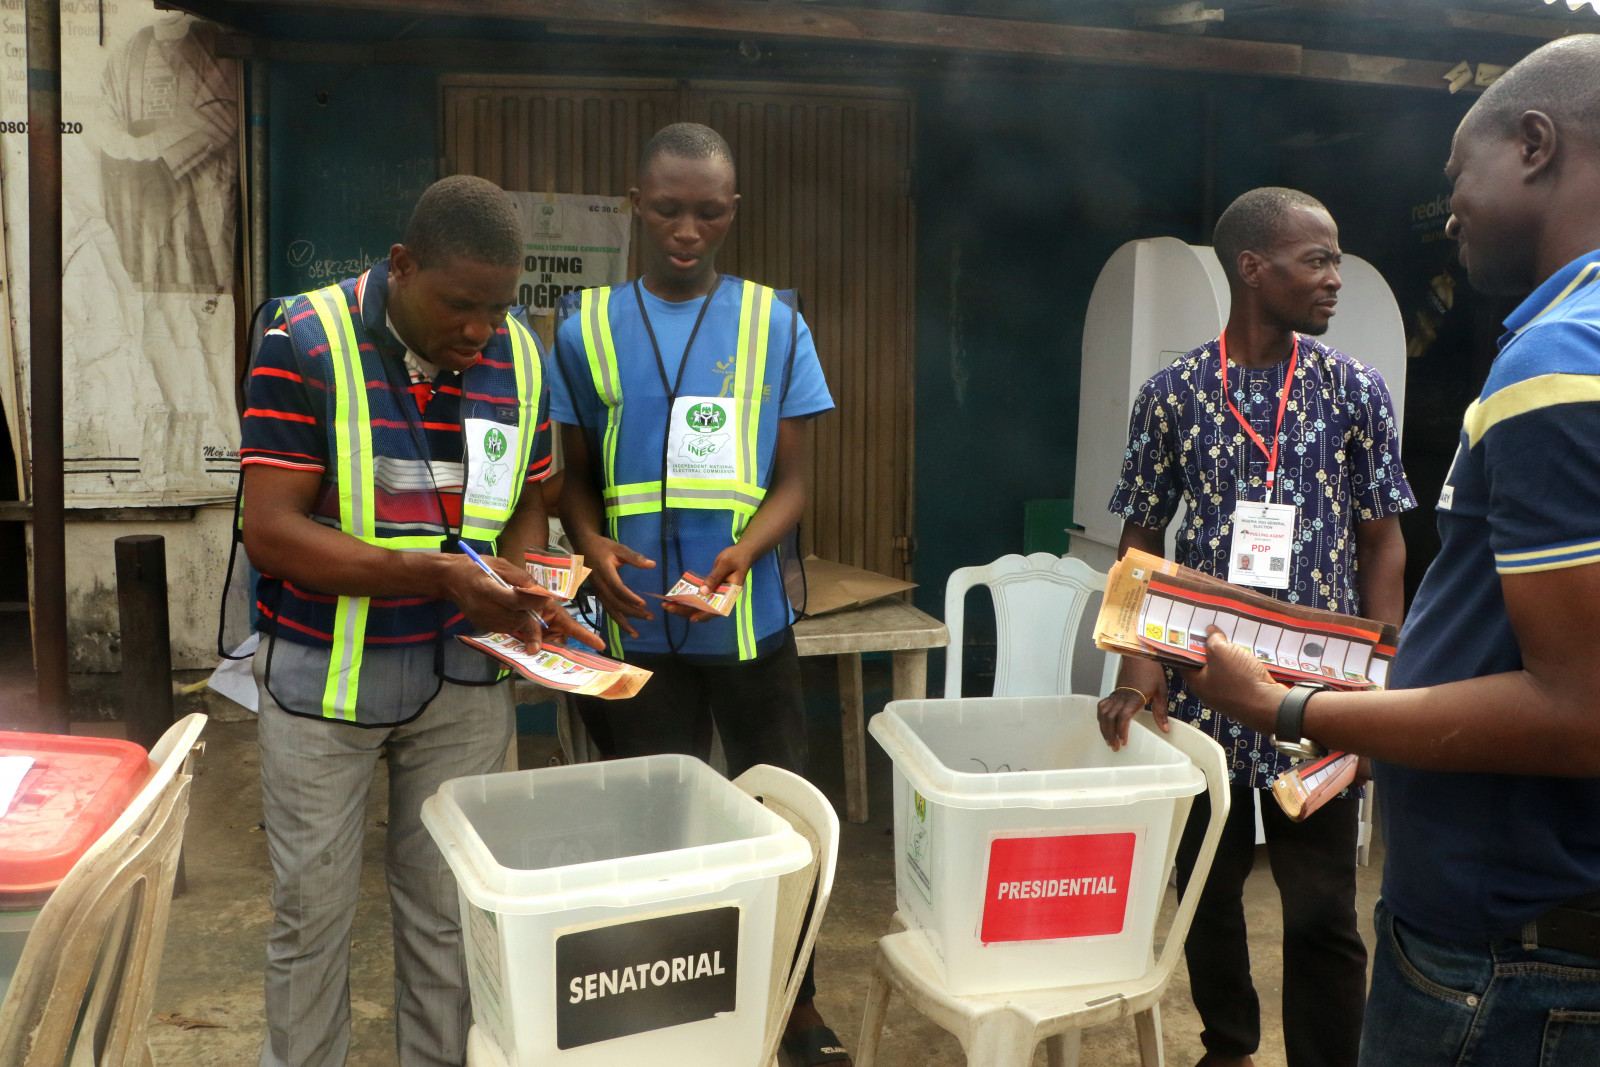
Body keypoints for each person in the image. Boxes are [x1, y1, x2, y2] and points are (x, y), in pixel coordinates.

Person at [1181, 35, 1600, 1067]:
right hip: (1535, 900)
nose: (1448, 210)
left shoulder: (1559, 359)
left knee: (1321, 915)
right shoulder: (1177, 391)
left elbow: (1578, 705)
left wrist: (1294, 707)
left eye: (1458, 174)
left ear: (1535, 145)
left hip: (1504, 948)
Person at [232, 174, 599, 1067]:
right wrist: (435, 575)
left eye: (497, 307)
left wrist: (524, 580)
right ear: (401, 266)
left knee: (448, 914)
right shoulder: (302, 341)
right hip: (323, 682)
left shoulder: (520, 356)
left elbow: (529, 496)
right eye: (459, 305)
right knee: (312, 917)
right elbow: (271, 531)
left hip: (463, 681)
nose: (479, 330)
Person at [549, 122, 849, 1065]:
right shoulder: (585, 329)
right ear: (636, 204)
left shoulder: (776, 325)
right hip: (635, 626)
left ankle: (797, 1001)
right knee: (656, 828)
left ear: (734, 211)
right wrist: (589, 542)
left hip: (749, 624)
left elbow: (794, 483)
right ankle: (678, 1003)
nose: (688, 230)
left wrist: (745, 552)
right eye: (670, 210)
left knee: (782, 819)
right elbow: (572, 478)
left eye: (709, 212)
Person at [1098, 187, 1415, 1067]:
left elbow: (1383, 541)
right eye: (1316, 260)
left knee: (1324, 909)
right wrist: (1137, 668)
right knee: (1205, 884)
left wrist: (1376, 683)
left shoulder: (1354, 390)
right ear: (1252, 268)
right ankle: (1229, 1045)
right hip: (1203, 685)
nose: (1335, 278)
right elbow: (1141, 538)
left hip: (1320, 694)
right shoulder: (1173, 394)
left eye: (1335, 259)